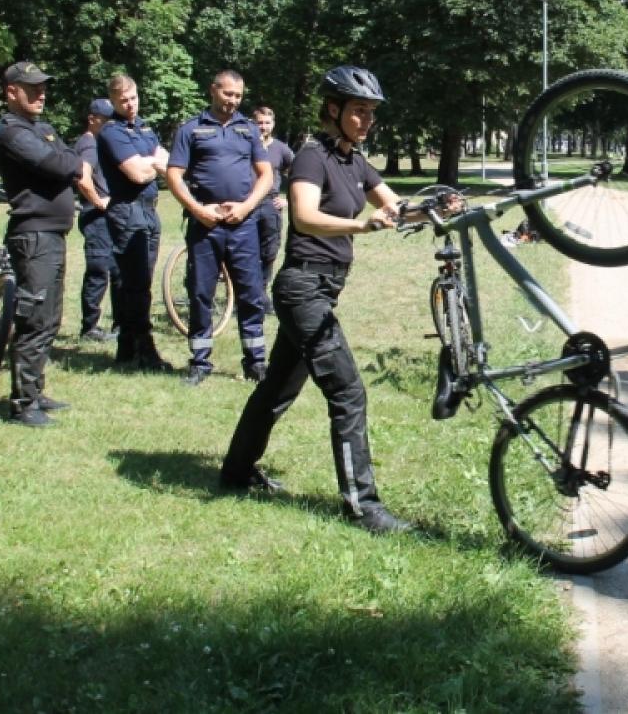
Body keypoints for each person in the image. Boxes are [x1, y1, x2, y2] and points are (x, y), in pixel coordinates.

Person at [220, 66, 440, 535]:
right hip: (302, 288)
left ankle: (235, 471)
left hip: (323, 289)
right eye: (359, 111)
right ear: (334, 110)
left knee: (276, 389)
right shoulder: (311, 157)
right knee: (348, 392)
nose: (367, 120)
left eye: (371, 113)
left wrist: (439, 206)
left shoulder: (354, 161)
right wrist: (362, 225)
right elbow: (303, 216)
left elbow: (395, 207)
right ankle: (363, 507)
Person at [0, 60, 104, 427]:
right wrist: (73, 163)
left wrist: (72, 162)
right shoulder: (11, 131)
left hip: (52, 234)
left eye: (43, 87)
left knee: (50, 317)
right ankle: (22, 404)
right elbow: (61, 166)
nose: (41, 94)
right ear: (12, 92)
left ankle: (36, 391)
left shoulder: (41, 128)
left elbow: (71, 159)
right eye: (32, 88)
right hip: (33, 235)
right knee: (34, 316)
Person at [166, 71, 274, 385]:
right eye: (228, 94)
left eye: (238, 96)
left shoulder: (248, 130)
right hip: (205, 226)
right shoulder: (191, 129)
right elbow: (174, 174)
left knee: (251, 295)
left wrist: (246, 207)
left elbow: (265, 175)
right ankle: (200, 363)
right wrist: (198, 210)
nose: (233, 101)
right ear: (213, 90)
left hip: (243, 225)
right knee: (200, 293)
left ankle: (255, 363)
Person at [97, 74, 173, 372]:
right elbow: (137, 174)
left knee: (138, 280)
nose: (130, 105)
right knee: (136, 282)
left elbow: (167, 163)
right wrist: (152, 162)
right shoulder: (111, 132)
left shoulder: (144, 127)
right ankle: (144, 348)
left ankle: (127, 347)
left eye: (133, 98)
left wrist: (151, 162)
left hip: (148, 210)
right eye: (123, 101)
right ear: (113, 102)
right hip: (127, 211)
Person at [71, 98, 120, 342]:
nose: (111, 125)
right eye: (107, 120)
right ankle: (90, 328)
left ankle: (120, 325)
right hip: (96, 217)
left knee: (116, 269)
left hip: (108, 217)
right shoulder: (88, 145)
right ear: (92, 119)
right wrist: (99, 201)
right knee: (99, 270)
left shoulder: (101, 144)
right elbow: (82, 177)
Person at [251, 106, 295, 311]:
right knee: (247, 250)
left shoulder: (281, 149)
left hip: (270, 204)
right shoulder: (245, 145)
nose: (263, 127)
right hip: (248, 203)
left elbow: (299, 176)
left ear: (273, 124)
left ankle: (261, 293)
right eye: (259, 122)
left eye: (267, 123)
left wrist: (288, 199)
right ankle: (249, 294)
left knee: (269, 252)